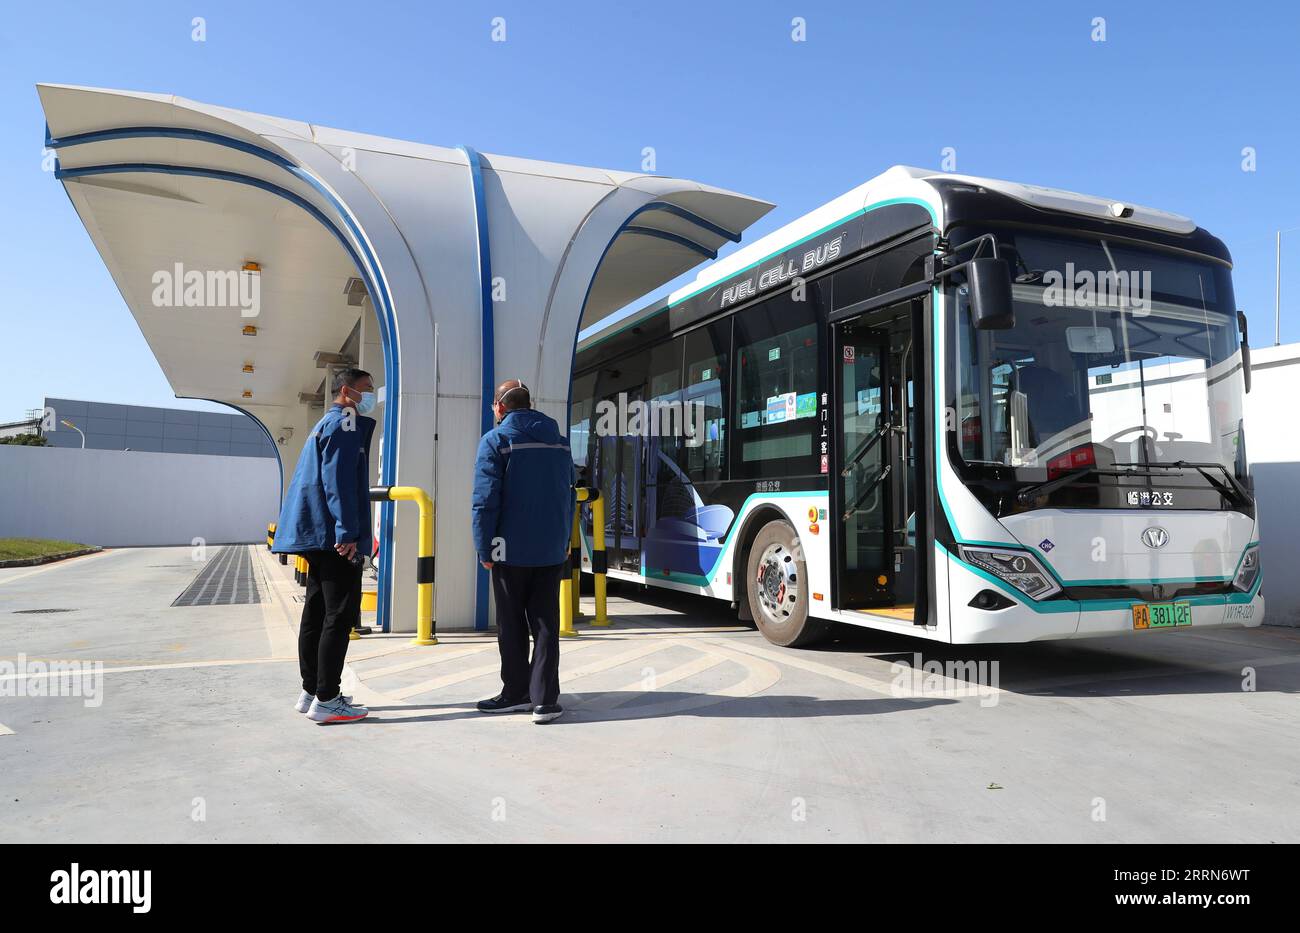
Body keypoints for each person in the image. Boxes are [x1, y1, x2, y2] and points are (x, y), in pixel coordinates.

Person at [272, 368, 377, 724]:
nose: (371, 394)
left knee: (316, 612)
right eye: (366, 389)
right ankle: (328, 698)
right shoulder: (346, 422)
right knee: (339, 614)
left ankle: (312, 690)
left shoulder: (325, 423)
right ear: (346, 391)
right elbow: (340, 480)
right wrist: (347, 533)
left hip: (314, 533)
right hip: (333, 536)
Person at [472, 379, 575, 724]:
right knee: (546, 623)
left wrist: (483, 545)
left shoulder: (496, 441)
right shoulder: (560, 443)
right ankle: (545, 700)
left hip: (508, 550)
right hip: (550, 549)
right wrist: (563, 542)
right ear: (529, 404)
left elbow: (486, 500)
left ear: (500, 408)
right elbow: (568, 496)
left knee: (511, 623)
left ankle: (515, 693)